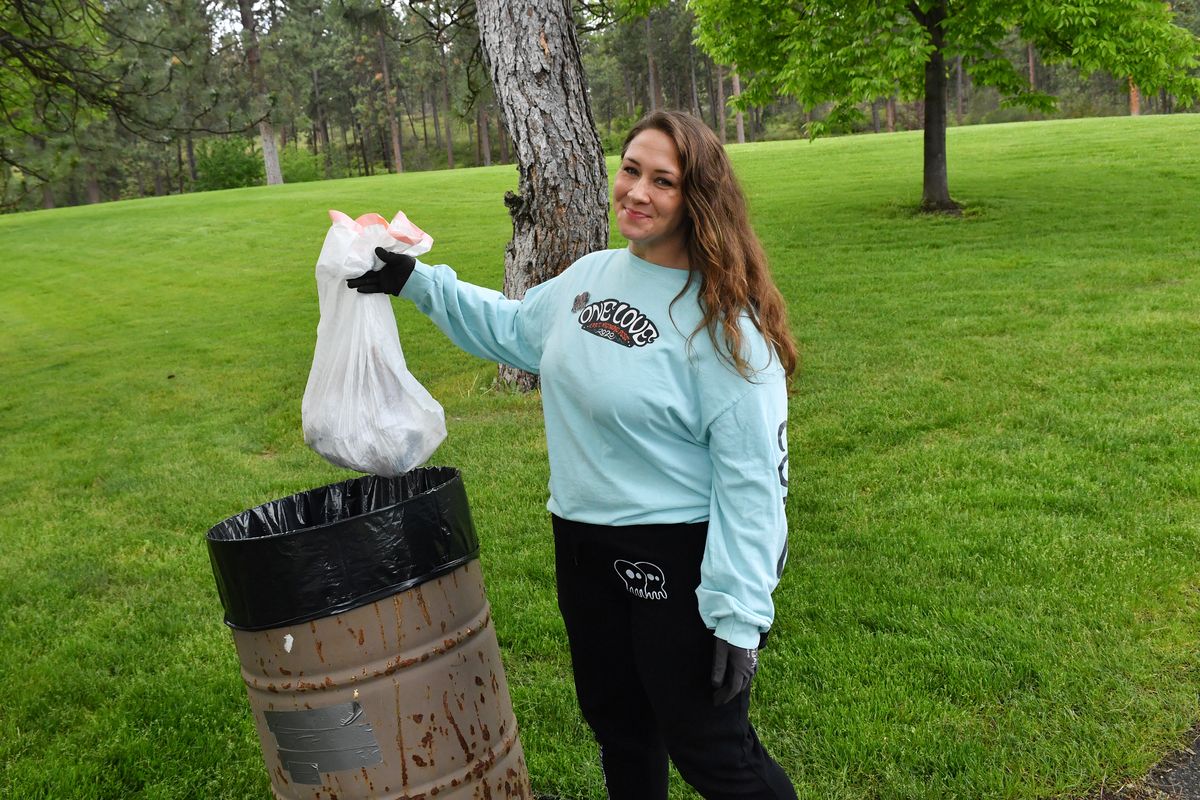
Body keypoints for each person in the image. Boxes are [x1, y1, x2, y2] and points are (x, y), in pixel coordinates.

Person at [348, 110, 799, 800]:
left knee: (712, 750)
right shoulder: (591, 276)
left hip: (673, 558)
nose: (637, 192)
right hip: (582, 546)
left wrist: (738, 613)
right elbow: (513, 328)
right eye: (630, 170)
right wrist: (416, 281)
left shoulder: (724, 328)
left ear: (698, 198)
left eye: (663, 181)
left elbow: (754, 485)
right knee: (620, 728)